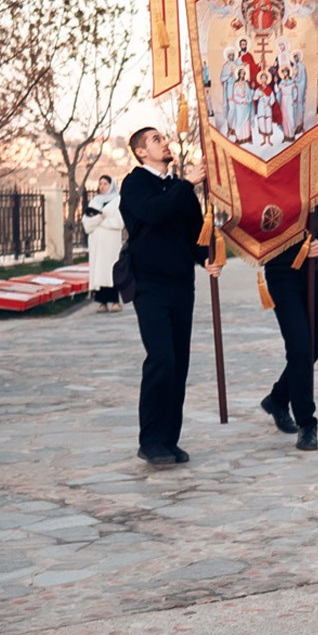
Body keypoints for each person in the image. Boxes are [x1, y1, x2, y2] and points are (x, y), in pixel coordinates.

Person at [119, 127, 209, 466]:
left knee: (179, 363)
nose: (165, 143)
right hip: (150, 285)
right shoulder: (135, 184)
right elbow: (153, 213)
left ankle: (170, 439)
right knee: (161, 359)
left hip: (181, 284)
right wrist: (187, 185)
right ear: (142, 152)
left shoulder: (179, 188)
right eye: (156, 140)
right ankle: (151, 440)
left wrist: (207, 259)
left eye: (164, 138)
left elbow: (193, 234)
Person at [258, 197, 318, 450]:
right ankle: (307, 423)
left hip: (313, 272)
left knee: (313, 347)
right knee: (299, 346)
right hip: (281, 275)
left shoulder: (316, 186)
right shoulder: (267, 187)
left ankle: (278, 398)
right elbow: (254, 221)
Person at [82, 173, 125, 311]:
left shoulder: (117, 201)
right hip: (97, 242)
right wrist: (99, 219)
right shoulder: (94, 202)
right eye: (100, 184)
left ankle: (115, 301)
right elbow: (87, 223)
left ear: (111, 185)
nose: (102, 187)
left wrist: (101, 220)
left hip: (111, 242)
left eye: (105, 184)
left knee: (111, 271)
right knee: (99, 271)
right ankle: (102, 302)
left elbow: (119, 223)